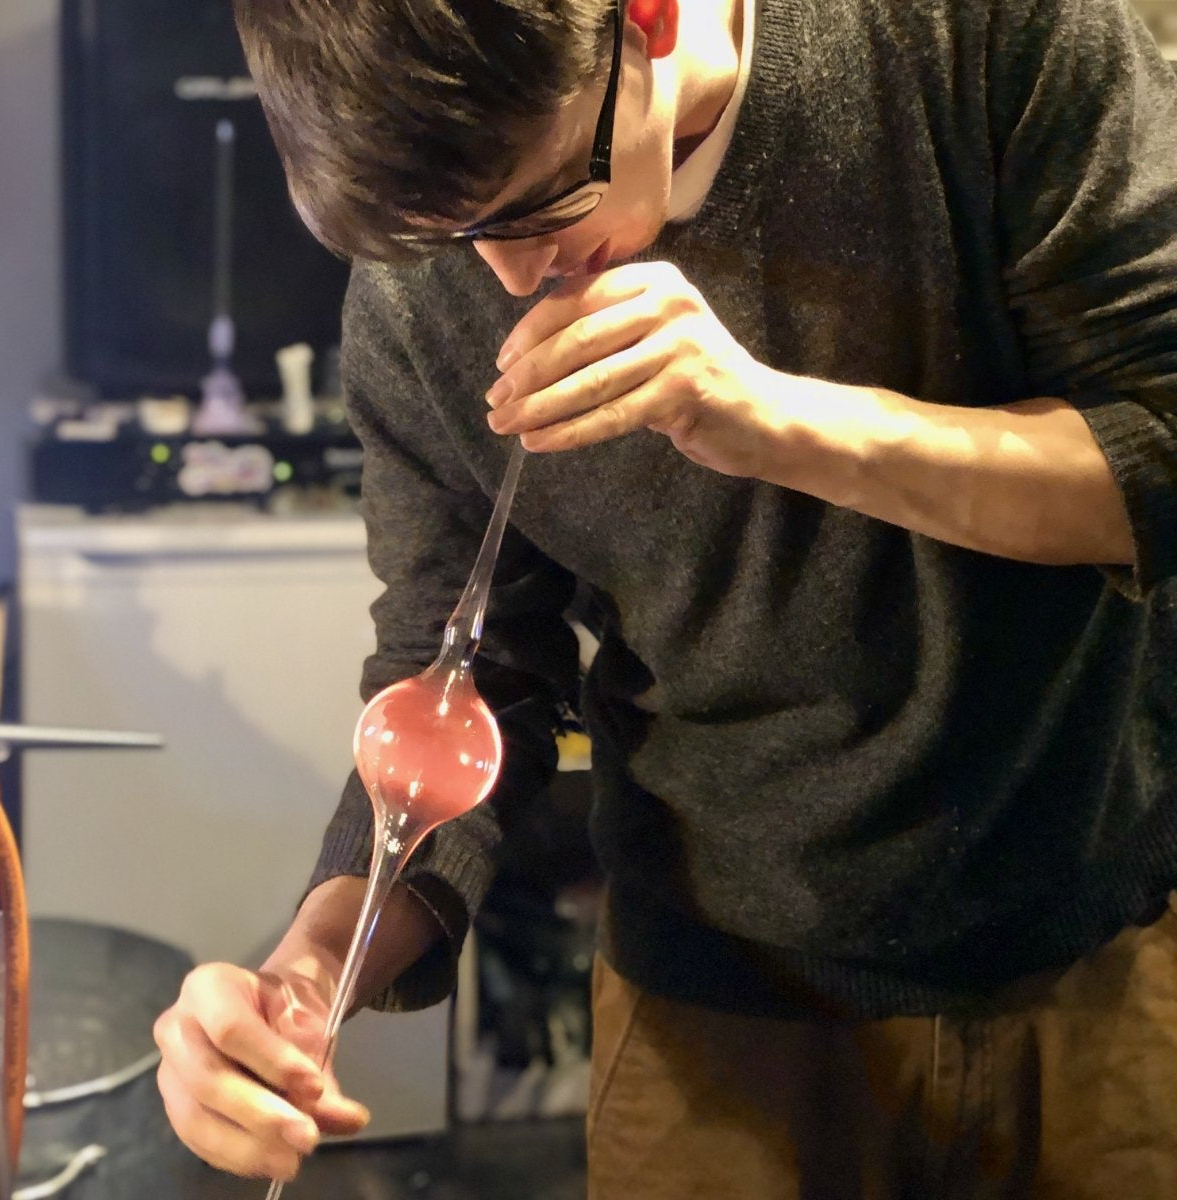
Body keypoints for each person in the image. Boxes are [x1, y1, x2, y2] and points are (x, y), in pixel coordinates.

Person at [153, 0, 1177, 1195]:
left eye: (539, 205)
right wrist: (319, 964)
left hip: (1096, 961)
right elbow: (471, 678)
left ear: (648, 19)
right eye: (454, 237)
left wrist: (779, 422)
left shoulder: (982, 38)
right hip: (711, 1011)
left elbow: (1156, 450)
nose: (509, 275)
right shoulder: (423, 291)